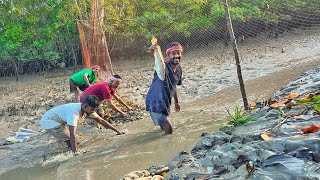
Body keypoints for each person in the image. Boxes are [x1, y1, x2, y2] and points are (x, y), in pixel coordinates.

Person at [40, 95, 123, 153]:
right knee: (70, 140)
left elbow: (101, 121)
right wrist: (76, 153)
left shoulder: (86, 108)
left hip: (58, 119)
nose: (93, 111)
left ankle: (65, 143)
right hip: (49, 121)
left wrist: (117, 131)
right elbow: (72, 133)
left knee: (74, 141)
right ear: (86, 106)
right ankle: (71, 152)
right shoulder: (74, 113)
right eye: (92, 109)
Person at [145, 42, 183, 134]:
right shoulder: (164, 66)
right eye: (173, 53)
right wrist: (155, 52)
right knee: (169, 129)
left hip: (165, 102)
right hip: (155, 102)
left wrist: (176, 102)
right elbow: (160, 64)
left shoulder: (178, 68)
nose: (177, 56)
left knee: (163, 127)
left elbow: (174, 86)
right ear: (168, 55)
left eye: (179, 53)